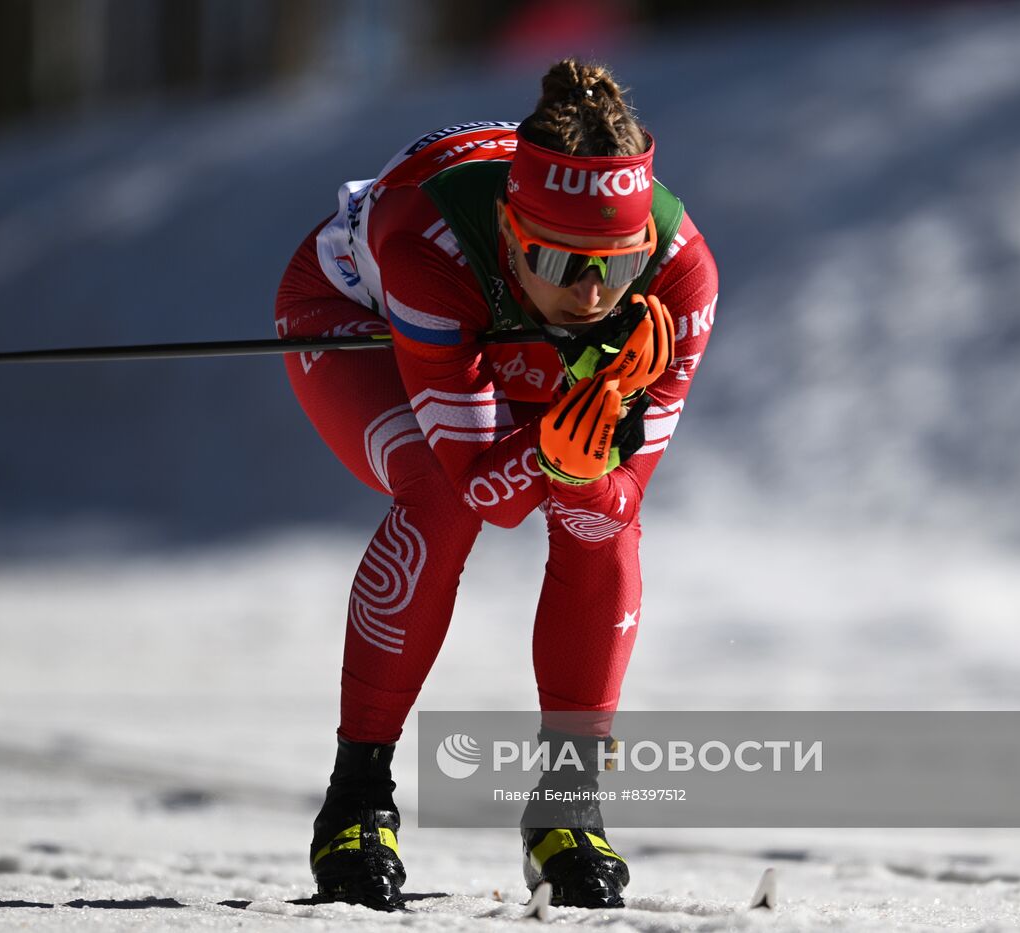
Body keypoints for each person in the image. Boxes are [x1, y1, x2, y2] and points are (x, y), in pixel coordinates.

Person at [274, 58, 718, 910]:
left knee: (600, 517)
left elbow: (620, 499)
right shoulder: (429, 242)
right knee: (439, 497)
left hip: (505, 318)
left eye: (615, 267)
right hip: (357, 310)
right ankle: (356, 798)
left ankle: (567, 805)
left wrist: (587, 447)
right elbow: (492, 492)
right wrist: (557, 447)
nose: (592, 294)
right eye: (562, 257)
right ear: (514, 229)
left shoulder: (680, 272)